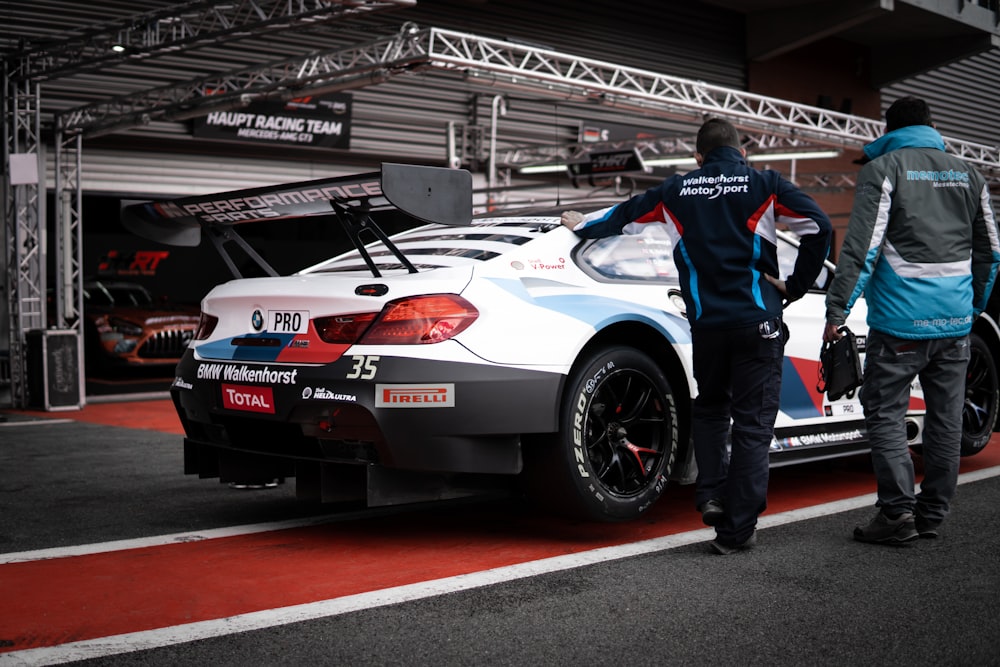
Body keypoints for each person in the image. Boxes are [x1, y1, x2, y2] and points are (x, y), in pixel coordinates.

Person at [561, 117, 832, 554]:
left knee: (709, 412)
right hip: (757, 323)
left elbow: (622, 217)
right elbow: (819, 227)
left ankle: (709, 495)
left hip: (707, 326)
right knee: (751, 426)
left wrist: (581, 223)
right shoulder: (764, 183)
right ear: (742, 152)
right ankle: (736, 529)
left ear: (698, 158)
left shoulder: (676, 190)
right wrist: (796, 287)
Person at [825, 96, 1000, 545]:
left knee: (885, 413)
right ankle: (933, 515)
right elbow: (992, 253)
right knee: (946, 419)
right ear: (932, 124)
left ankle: (897, 514)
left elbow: (861, 250)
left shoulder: (883, 170)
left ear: (889, 129)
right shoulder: (970, 174)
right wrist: (973, 304)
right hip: (955, 324)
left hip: (900, 325)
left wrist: (837, 309)